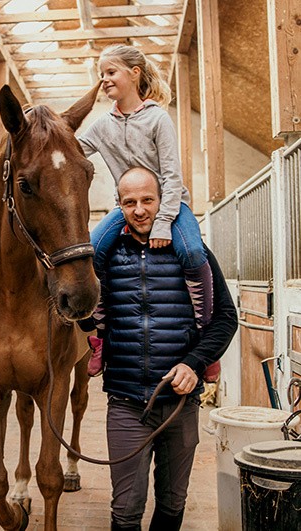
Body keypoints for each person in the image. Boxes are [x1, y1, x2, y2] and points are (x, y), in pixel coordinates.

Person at [90, 167, 237, 531]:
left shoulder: (194, 254)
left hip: (180, 406)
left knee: (172, 504)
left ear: (162, 202)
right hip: (126, 405)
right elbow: (83, 317)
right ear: (119, 207)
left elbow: (226, 318)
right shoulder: (107, 260)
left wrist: (194, 363)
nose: (139, 210)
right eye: (129, 202)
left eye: (147, 200)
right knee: (126, 510)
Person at [77, 44, 214, 377]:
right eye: (101, 74)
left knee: (194, 253)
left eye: (111, 72)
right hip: (123, 208)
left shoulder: (157, 118)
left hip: (170, 202)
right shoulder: (101, 125)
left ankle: (207, 344)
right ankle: (100, 337)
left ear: (134, 73)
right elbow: (70, 149)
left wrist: (164, 222)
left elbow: (171, 174)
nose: (104, 80)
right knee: (91, 253)